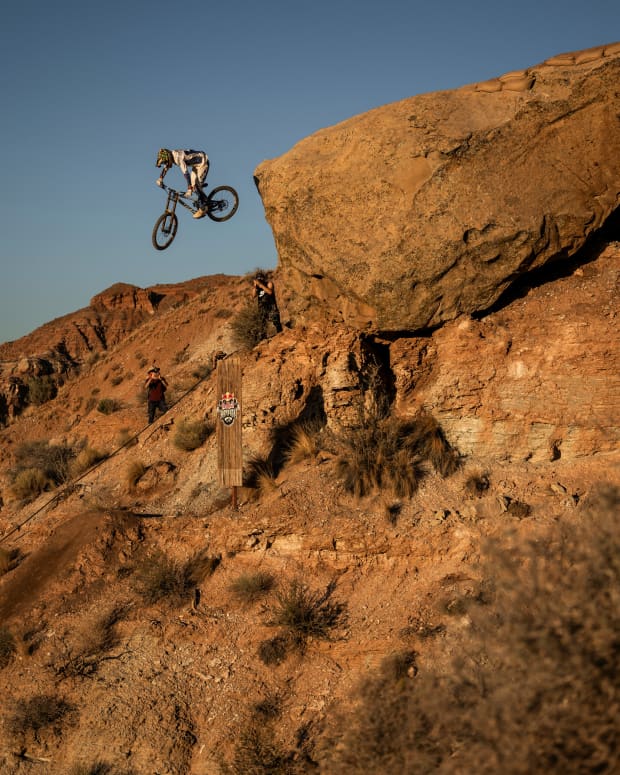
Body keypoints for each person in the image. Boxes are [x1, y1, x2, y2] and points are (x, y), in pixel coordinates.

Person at [156, 148, 210, 219]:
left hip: (203, 163)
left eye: (165, 161)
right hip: (196, 165)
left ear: (168, 157)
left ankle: (203, 208)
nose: (166, 164)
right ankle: (203, 200)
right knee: (194, 186)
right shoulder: (171, 155)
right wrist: (160, 179)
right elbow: (166, 167)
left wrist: (189, 189)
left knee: (195, 187)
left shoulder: (178, 157)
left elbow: (186, 174)